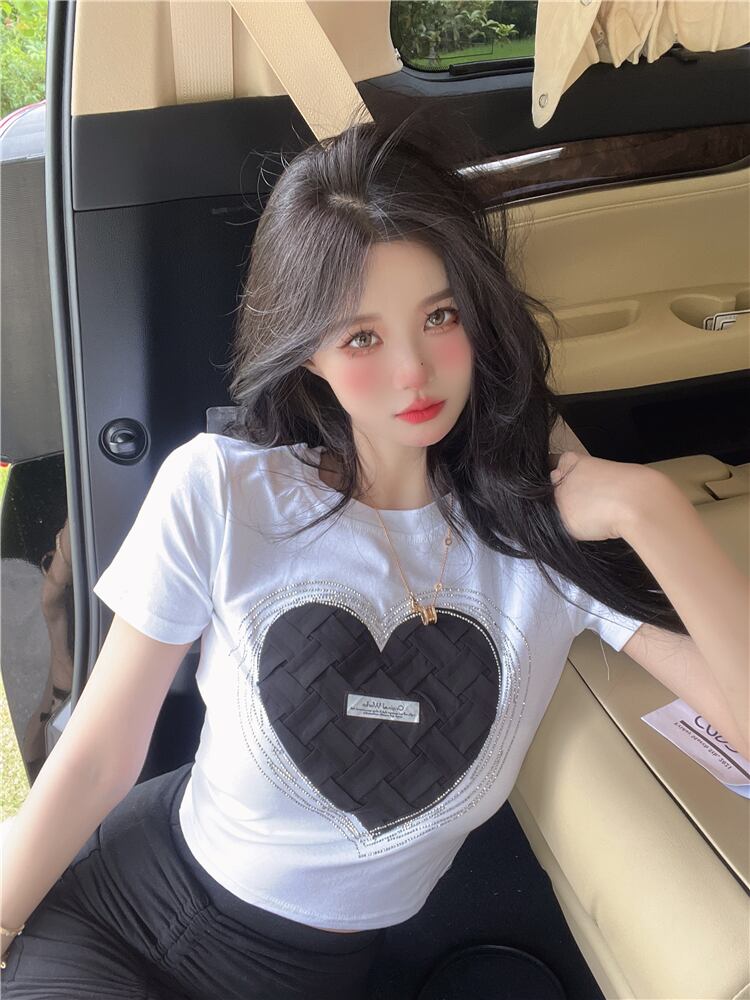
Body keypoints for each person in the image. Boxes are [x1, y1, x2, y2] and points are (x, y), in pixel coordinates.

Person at [0, 105, 690, 999]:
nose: (413, 371)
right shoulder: (222, 491)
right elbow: (98, 756)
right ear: (310, 354)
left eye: (440, 316)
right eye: (362, 336)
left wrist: (651, 507)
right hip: (124, 915)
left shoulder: (543, 533)